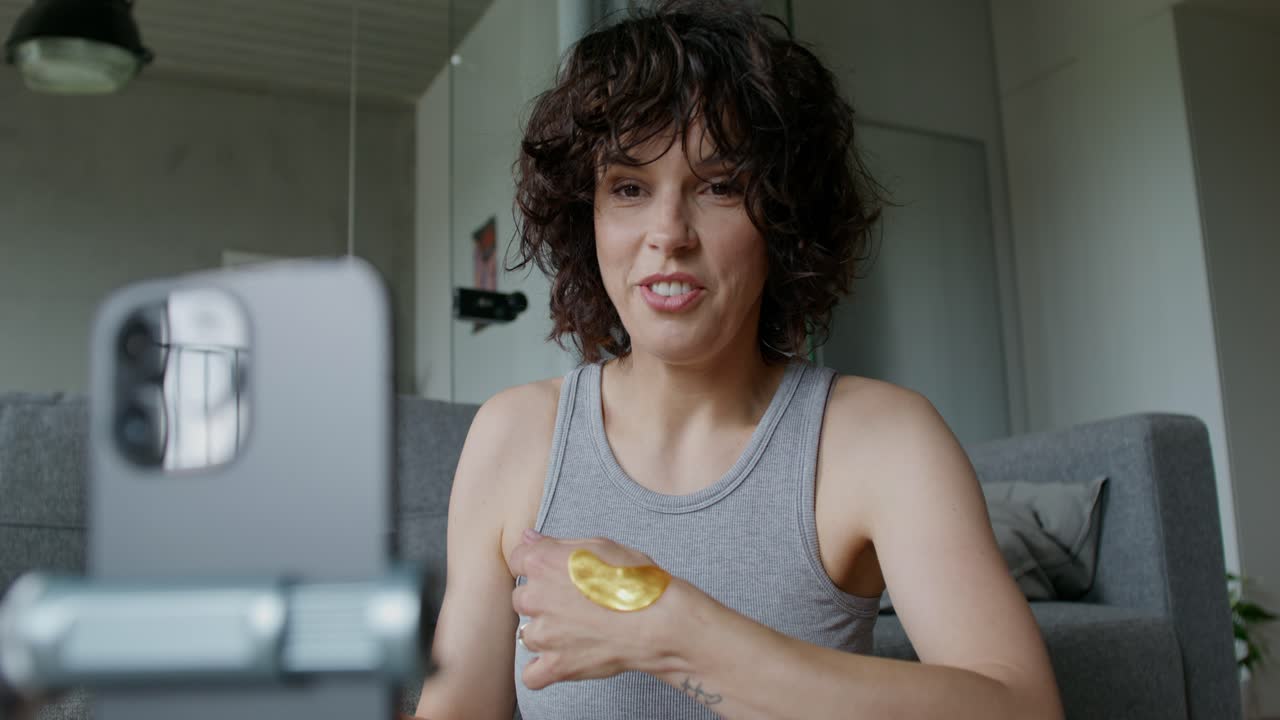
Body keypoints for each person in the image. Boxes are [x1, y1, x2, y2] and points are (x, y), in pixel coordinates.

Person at [413, 1, 1064, 718]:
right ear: (585, 218)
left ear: (781, 216)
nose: (669, 233)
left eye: (719, 185)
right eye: (629, 188)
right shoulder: (513, 437)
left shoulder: (881, 440)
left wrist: (672, 632)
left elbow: (1025, 708)